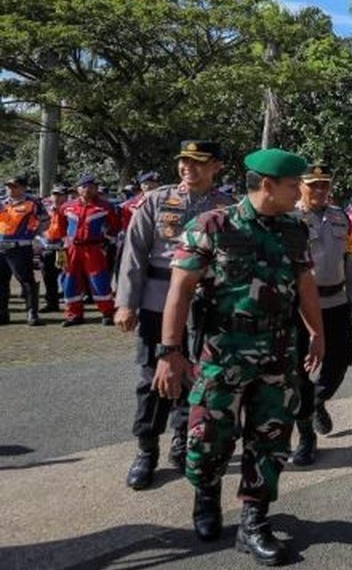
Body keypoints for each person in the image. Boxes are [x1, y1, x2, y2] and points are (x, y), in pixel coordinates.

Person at [153, 148, 324, 564]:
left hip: (278, 351)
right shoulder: (212, 226)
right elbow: (180, 291)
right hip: (223, 350)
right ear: (267, 185)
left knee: (271, 438)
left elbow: (305, 284)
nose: (299, 192)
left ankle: (253, 521)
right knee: (209, 436)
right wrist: (169, 352)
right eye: (293, 185)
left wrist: (317, 333)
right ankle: (206, 497)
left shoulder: (294, 229)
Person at [114, 140, 233, 490]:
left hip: (204, 302)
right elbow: (133, 254)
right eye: (184, 161)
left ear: (216, 166)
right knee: (151, 376)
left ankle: (182, 439)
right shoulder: (155, 200)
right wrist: (126, 303)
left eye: (198, 162)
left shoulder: (227, 207)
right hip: (158, 299)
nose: (187, 168)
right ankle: (146, 448)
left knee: (195, 375)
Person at [290, 163, 352, 466]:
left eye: (325, 184)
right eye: (314, 185)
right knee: (299, 370)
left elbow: (349, 261)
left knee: (343, 355)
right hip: (301, 306)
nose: (320, 190)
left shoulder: (340, 217)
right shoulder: (290, 218)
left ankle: (317, 401)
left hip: (336, 302)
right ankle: (306, 436)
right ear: (301, 186)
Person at [60, 175, 121, 327]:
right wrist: (63, 242)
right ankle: (73, 315)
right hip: (71, 248)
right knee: (70, 280)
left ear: (96, 189)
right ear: (78, 189)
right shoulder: (67, 206)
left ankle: (107, 313)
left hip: (93, 249)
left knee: (99, 280)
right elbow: (60, 225)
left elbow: (115, 226)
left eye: (92, 187)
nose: (88, 190)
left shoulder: (105, 206)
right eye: (84, 186)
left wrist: (106, 239)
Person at [0, 176, 49, 326]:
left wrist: (32, 233)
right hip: (1, 247)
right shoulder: (2, 202)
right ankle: (2, 314)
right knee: (1, 281)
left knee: (26, 280)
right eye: (8, 186)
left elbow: (45, 221)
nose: (10, 189)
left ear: (23, 187)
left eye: (14, 186)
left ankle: (32, 313)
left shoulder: (33, 202)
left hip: (20, 247)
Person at [39, 185, 69, 313]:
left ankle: (70, 302)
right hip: (47, 247)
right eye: (55, 194)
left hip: (62, 249)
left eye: (60, 195)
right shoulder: (45, 210)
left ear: (65, 197)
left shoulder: (70, 210)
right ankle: (52, 303)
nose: (57, 197)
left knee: (66, 275)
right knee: (48, 276)